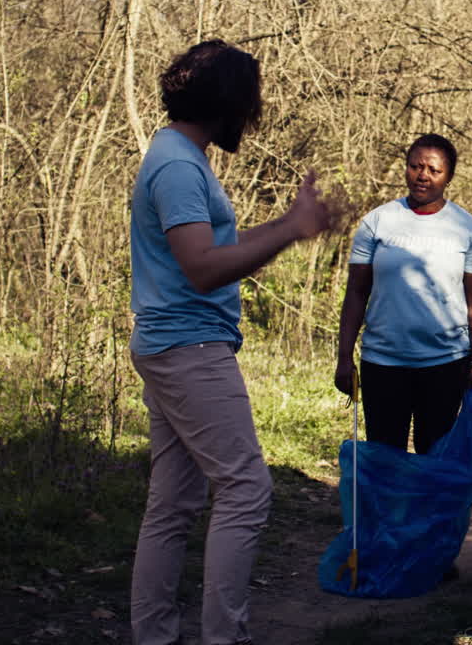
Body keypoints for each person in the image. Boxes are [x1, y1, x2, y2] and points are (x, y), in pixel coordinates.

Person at [128, 40, 335, 645]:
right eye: (250, 102)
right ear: (225, 102)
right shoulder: (177, 165)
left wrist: (285, 227)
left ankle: (156, 636)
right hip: (189, 347)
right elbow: (202, 266)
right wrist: (292, 230)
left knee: (173, 503)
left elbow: (210, 248)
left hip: (175, 343)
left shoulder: (181, 157)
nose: (254, 113)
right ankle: (225, 636)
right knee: (246, 488)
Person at [333, 134, 472, 454]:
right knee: (384, 456)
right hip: (383, 361)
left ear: (449, 176)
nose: (423, 175)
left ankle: (428, 507)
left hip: (445, 363)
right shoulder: (377, 222)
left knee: (434, 458)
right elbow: (356, 293)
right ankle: (387, 507)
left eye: (434, 170)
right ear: (405, 169)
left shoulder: (468, 229)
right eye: (415, 166)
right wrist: (344, 357)